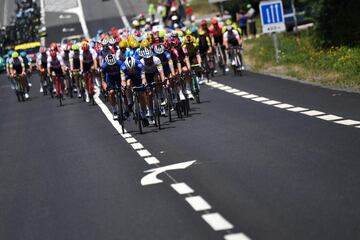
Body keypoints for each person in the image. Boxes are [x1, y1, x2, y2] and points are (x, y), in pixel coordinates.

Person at [121, 57, 149, 127]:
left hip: (138, 77)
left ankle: (144, 116)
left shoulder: (140, 65)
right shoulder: (123, 67)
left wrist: (143, 84)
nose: (131, 70)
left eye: (132, 68)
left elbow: (143, 78)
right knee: (128, 83)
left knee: (141, 95)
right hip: (128, 78)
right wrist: (124, 86)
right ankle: (130, 102)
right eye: (129, 69)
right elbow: (123, 81)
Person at [101, 54, 123, 119]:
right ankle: (114, 111)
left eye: (113, 64)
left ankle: (126, 108)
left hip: (119, 76)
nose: (112, 66)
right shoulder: (104, 66)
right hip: (110, 78)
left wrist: (123, 83)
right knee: (111, 92)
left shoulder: (119, 63)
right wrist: (105, 87)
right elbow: (103, 79)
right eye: (110, 65)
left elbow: (123, 74)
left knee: (123, 89)